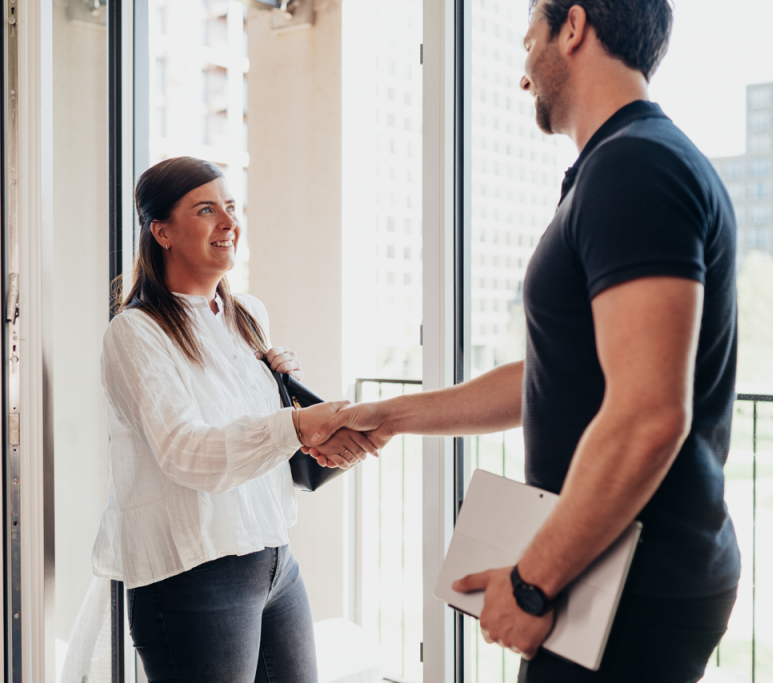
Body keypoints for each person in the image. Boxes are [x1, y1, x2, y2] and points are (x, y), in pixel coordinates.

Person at [307, 1, 740, 680]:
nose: (522, 75)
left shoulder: (636, 171)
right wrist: (387, 416)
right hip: (615, 573)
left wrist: (534, 579)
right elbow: (553, 374)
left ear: (573, 27)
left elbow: (649, 414)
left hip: (627, 583)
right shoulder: (621, 168)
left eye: (526, 43)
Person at [91, 157, 373, 683]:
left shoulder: (248, 315)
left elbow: (248, 429)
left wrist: (284, 392)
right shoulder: (136, 333)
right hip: (194, 574)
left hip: (273, 560)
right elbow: (186, 453)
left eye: (232, 207)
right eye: (206, 209)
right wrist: (293, 426)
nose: (229, 222)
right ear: (162, 232)